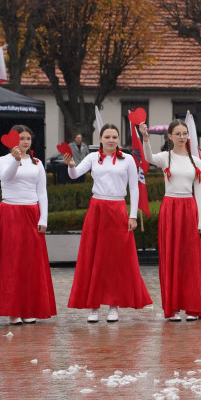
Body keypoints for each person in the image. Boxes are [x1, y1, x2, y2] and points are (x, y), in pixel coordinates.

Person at [65, 123, 152, 322]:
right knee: (94, 257)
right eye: (107, 137)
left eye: (114, 137)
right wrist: (70, 165)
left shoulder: (128, 159)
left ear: (118, 139)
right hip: (97, 209)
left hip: (118, 209)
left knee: (116, 260)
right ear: (100, 139)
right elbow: (75, 174)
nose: (111, 140)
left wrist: (132, 215)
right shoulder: (92, 157)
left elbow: (135, 188)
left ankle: (114, 305)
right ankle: (93, 307)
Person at [0, 125, 57, 324]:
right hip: (11, 213)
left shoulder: (37, 162)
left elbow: (42, 192)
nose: (25, 142)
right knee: (12, 262)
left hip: (32, 213)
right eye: (21, 138)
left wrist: (44, 218)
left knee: (31, 264)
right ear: (13, 140)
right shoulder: (3, 160)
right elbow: (5, 177)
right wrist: (15, 161)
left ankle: (29, 307)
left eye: (28, 139)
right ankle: (13, 310)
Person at [141, 120, 201, 322]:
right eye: (178, 133)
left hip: (189, 209)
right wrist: (145, 139)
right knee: (171, 257)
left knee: (190, 259)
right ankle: (173, 308)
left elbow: (199, 190)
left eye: (185, 133)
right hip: (170, 209)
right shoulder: (165, 157)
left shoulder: (196, 161)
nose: (182, 137)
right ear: (169, 136)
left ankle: (192, 306)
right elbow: (148, 158)